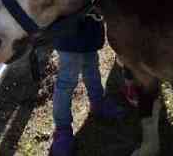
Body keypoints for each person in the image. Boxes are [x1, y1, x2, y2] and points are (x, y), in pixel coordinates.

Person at [50, 13, 123, 156]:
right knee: (67, 81)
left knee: (91, 66)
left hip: (89, 27)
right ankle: (62, 129)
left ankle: (97, 102)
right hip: (67, 28)